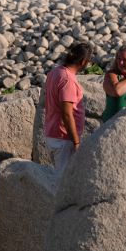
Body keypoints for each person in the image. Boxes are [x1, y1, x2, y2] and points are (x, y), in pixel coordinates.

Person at [44, 42, 93, 172]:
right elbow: (67, 113)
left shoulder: (55, 72)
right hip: (64, 138)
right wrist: (76, 142)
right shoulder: (68, 80)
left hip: (52, 133)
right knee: (63, 179)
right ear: (83, 61)